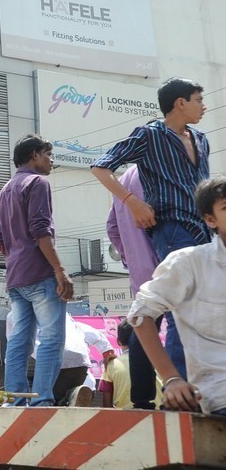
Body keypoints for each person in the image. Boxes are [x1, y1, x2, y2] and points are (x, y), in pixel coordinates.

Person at [92, 77, 210, 379]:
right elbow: (101, 167)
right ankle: (178, 387)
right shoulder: (149, 135)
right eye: (198, 100)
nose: (204, 106)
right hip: (171, 230)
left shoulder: (201, 139)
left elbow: (202, 188)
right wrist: (132, 202)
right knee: (181, 309)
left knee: (200, 310)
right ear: (180, 103)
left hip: (203, 232)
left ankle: (191, 384)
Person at [128, 176, 226, 415]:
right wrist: (171, 379)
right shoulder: (190, 263)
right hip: (220, 398)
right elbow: (141, 314)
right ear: (210, 219)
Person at [0, 134, 73, 407]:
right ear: (34, 155)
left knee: (19, 340)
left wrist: (19, 261)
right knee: (51, 339)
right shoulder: (38, 182)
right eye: (47, 154)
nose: (50, 160)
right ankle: (41, 402)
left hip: (16, 277)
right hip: (40, 274)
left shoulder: (5, 190)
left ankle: (15, 400)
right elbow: (41, 231)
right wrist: (60, 271)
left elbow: (0, 242)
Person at [105, 165, 162, 409]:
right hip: (166, 259)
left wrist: (130, 257)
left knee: (144, 326)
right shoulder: (160, 169)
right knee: (179, 326)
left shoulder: (124, 178)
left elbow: (112, 227)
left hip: (140, 271)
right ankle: (179, 393)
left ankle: (142, 399)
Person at [99, 320, 134, 409]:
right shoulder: (156, 363)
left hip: (123, 415)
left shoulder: (111, 365)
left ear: (118, 342)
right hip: (157, 414)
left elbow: (107, 405)